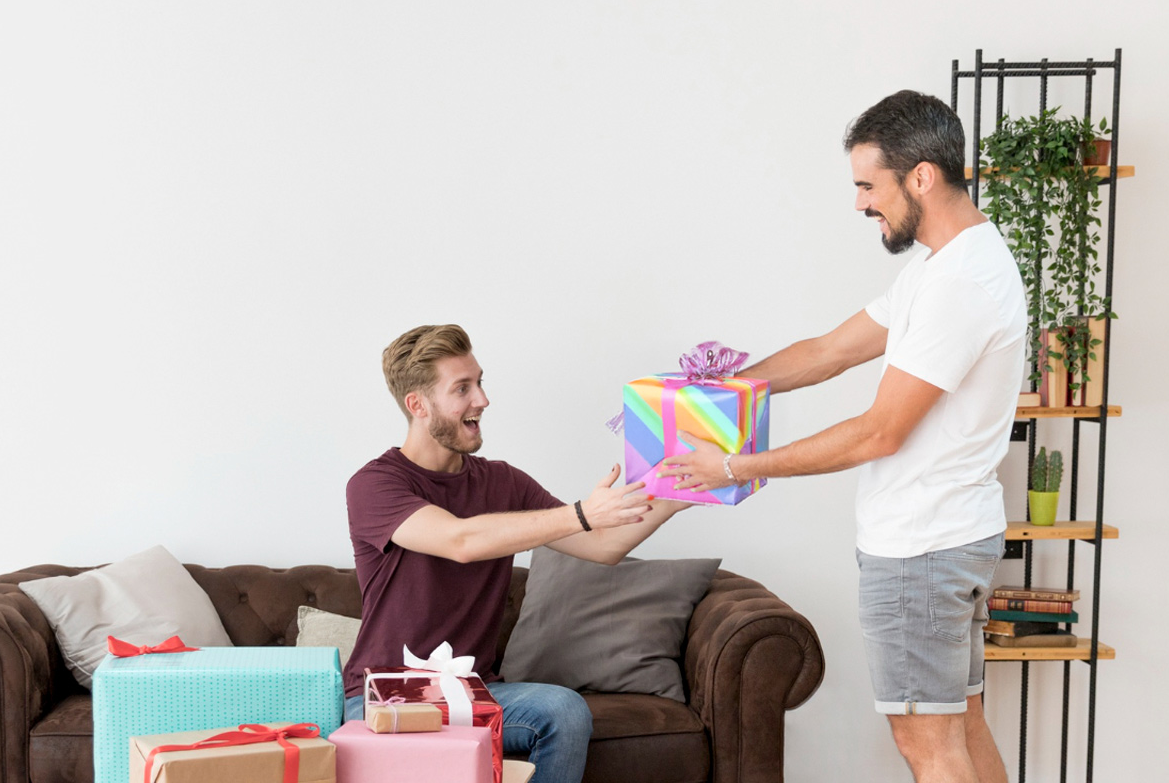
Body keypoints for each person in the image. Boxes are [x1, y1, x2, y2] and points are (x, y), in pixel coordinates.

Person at [665, 90, 1023, 783]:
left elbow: (878, 432)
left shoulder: (962, 284)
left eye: (868, 185)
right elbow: (831, 350)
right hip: (949, 536)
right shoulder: (942, 265)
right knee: (960, 728)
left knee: (928, 744)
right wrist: (728, 390)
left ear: (921, 175)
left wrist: (733, 466)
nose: (861, 203)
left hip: (922, 547)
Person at [344, 323, 691, 783]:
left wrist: (689, 487)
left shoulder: (503, 482)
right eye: (462, 388)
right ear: (418, 405)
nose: (482, 400)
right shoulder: (375, 484)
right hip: (385, 694)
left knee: (563, 712)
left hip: (473, 694)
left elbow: (603, 545)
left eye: (480, 382)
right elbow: (460, 541)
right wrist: (582, 512)